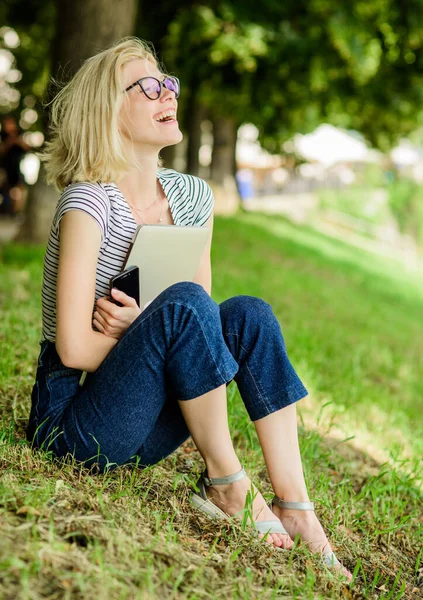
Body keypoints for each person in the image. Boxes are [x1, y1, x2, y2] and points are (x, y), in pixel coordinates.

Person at [26, 37, 352, 581]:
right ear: (109, 109)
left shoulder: (193, 198)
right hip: (76, 424)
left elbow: (204, 325)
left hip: (146, 423)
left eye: (168, 82)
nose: (167, 93)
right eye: (148, 86)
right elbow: (74, 347)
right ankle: (226, 482)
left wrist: (145, 329)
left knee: (247, 314)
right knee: (183, 307)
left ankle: (296, 507)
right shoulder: (88, 202)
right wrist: (148, 335)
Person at [0, 115, 30, 215]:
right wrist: (9, 142)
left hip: (17, 168)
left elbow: (27, 147)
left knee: (19, 191)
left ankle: (15, 212)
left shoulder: (19, 133)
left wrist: (17, 140)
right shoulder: (3, 135)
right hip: (4, 167)